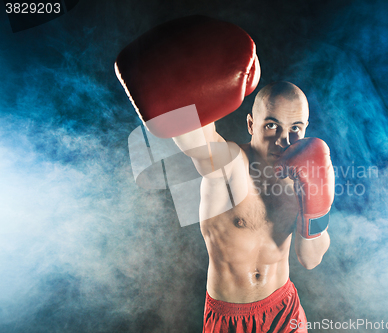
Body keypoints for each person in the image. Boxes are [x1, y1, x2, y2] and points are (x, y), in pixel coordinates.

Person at [114, 16, 334, 333]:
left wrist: (318, 207)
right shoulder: (229, 165)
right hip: (231, 320)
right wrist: (171, 66)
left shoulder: (303, 177)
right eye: (271, 125)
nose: (283, 139)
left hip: (285, 311)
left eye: (295, 129)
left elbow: (310, 259)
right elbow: (191, 133)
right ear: (250, 124)